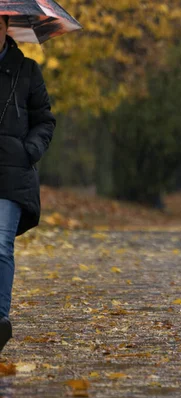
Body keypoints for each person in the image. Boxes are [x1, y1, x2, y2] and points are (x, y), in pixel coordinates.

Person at [0, 15, 55, 352]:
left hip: (12, 173)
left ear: (5, 26)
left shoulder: (28, 70)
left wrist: (30, 150)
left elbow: (44, 119)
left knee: (1, 243)